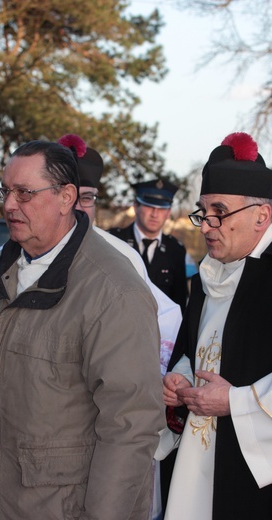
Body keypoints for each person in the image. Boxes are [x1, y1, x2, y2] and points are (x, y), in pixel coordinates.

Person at [0, 140, 166, 520]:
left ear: (66, 197)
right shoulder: (2, 268)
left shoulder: (113, 290)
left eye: (24, 192)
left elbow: (130, 427)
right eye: (5, 190)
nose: (8, 204)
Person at [58, 133, 182, 520]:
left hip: (105, 409)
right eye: (72, 195)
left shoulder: (122, 254)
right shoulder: (11, 253)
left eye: (90, 198)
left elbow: (167, 315)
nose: (81, 207)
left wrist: (154, 376)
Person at [158, 132, 272, 520]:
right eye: (202, 213)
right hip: (198, 462)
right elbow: (199, 350)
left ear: (262, 215)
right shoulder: (205, 279)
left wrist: (236, 402)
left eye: (219, 212)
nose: (206, 226)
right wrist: (179, 378)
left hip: (254, 477)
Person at [109, 179, 188, 312]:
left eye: (161, 208)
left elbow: (179, 304)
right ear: (136, 206)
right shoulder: (114, 242)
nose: (154, 214)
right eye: (149, 206)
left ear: (168, 213)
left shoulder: (176, 250)